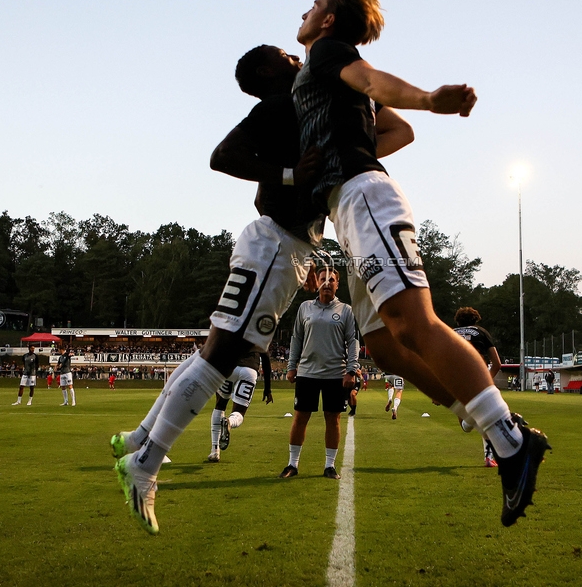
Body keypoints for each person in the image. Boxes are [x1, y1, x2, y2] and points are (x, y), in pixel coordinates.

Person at [109, 43, 416, 534]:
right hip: (275, 241)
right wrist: (292, 174)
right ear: (267, 73)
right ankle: (145, 462)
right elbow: (222, 156)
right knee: (221, 355)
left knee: (220, 348)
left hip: (285, 246)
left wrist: (346, 152)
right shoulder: (277, 106)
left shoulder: (308, 108)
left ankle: (140, 439)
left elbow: (400, 130)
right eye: (283, 57)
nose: (295, 59)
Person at [293, 0, 548, 526]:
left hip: (364, 198)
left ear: (330, 20)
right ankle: (489, 421)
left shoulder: (330, 52)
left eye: (314, 3)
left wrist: (431, 98)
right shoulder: (324, 70)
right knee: (385, 346)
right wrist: (345, 143)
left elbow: (378, 86)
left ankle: (510, 442)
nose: (305, 10)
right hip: (349, 210)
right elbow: (396, 131)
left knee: (415, 324)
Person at [281, 267, 358, 480]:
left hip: (336, 373)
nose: (326, 283)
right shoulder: (305, 308)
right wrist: (291, 366)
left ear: (337, 284)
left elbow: (353, 341)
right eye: (322, 279)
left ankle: (329, 466)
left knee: (333, 419)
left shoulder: (346, 310)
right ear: (318, 282)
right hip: (307, 372)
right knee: (300, 418)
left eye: (331, 280)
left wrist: (351, 370)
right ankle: (292, 464)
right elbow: (296, 338)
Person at [453, 307, 503, 467]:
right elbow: (497, 363)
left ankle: (474, 421)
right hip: (477, 375)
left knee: (466, 426)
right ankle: (489, 457)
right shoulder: (482, 332)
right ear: (476, 319)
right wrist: (486, 381)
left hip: (456, 379)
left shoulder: (449, 332)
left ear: (458, 320)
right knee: (485, 416)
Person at [207, 352, 272, 462]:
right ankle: (230, 422)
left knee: (220, 406)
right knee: (239, 412)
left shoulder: (231, 333)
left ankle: (215, 450)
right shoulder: (259, 334)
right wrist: (267, 388)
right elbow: (266, 360)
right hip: (249, 370)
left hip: (229, 367)